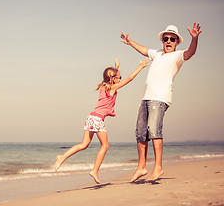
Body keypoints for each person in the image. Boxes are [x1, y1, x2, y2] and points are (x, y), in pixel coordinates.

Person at [120, 22, 202, 182]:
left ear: (177, 41)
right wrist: (130, 42)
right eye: (166, 39)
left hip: (160, 97)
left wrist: (195, 39)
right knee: (140, 132)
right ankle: (141, 167)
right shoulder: (157, 53)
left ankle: (158, 167)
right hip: (146, 97)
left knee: (154, 130)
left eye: (172, 39)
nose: (169, 41)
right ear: (163, 40)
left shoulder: (177, 55)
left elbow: (191, 53)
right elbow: (144, 50)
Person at [54, 58, 150, 184]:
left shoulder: (104, 86)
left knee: (83, 145)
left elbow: (112, 78)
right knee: (105, 146)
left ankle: (62, 157)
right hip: (98, 119)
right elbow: (130, 79)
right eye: (119, 76)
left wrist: (115, 67)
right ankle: (94, 170)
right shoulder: (112, 88)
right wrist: (141, 67)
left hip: (91, 117)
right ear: (113, 79)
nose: (121, 78)